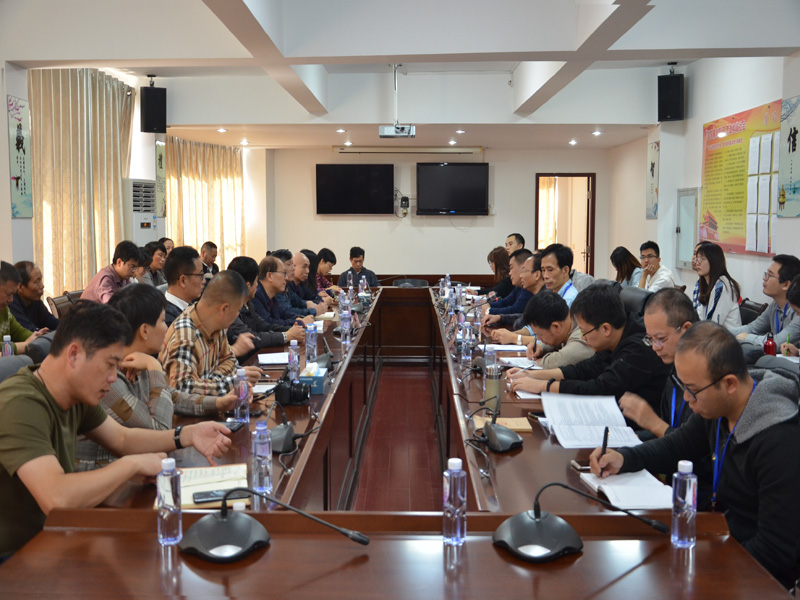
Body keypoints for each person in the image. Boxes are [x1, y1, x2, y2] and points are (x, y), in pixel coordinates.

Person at [0, 301, 232, 560]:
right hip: (16, 558)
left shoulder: (74, 393)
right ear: (74, 355)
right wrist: (132, 465)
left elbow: (122, 438)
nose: (114, 377)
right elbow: (56, 498)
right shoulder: (20, 403)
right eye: (110, 364)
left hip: (57, 537)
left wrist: (186, 435)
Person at [590, 322, 800, 589]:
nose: (687, 399)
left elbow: (775, 551)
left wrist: (700, 572)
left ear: (729, 383)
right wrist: (624, 458)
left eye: (692, 389)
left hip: (756, 576)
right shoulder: (720, 406)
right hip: (721, 540)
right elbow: (677, 445)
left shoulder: (779, 441)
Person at [75, 285, 241, 471]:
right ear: (145, 331)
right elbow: (159, 430)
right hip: (101, 474)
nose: (167, 327)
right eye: (162, 321)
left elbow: (172, 396)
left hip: (129, 468)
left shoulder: (137, 361)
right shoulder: (109, 379)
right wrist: (154, 367)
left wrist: (219, 403)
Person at [509, 284, 670, 412]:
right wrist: (530, 375)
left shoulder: (638, 348)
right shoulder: (615, 336)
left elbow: (600, 388)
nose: (583, 337)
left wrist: (543, 386)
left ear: (605, 329)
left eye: (584, 332)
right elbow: (583, 369)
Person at [159, 270, 262, 394]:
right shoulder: (185, 337)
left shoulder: (216, 324)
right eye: (237, 310)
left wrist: (209, 381)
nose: (237, 315)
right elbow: (182, 390)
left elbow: (230, 361)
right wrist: (234, 381)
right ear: (223, 309)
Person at [618, 288, 699, 438]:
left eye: (661, 339)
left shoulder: (706, 378)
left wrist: (652, 422)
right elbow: (664, 433)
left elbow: (692, 445)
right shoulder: (673, 370)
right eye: (650, 339)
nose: (655, 347)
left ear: (686, 329)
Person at [226, 256, 304, 358]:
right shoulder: (230, 309)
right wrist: (286, 336)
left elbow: (265, 326)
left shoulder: (248, 304)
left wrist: (294, 330)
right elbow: (251, 338)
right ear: (247, 285)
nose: (257, 285)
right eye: (256, 281)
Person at [730, 254, 800, 349]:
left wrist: (746, 337)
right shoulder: (775, 305)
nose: (764, 278)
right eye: (766, 274)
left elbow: (778, 342)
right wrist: (720, 331)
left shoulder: (798, 311)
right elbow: (752, 329)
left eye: (770, 275)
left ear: (786, 284)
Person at [517, 290, 594, 369]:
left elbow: (563, 359)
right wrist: (540, 347)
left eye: (540, 335)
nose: (538, 339)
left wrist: (543, 362)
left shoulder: (583, 333)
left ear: (556, 327)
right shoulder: (567, 326)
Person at [487, 253, 545, 346]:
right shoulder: (537, 297)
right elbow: (528, 323)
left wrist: (514, 338)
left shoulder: (548, 299)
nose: (521, 275)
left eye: (524, 271)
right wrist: (500, 318)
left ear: (537, 275)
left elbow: (549, 340)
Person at [252, 256, 314, 328]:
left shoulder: (272, 294)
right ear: (269, 276)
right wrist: (299, 322)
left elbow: (283, 313)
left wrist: (298, 317)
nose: (286, 278)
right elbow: (268, 323)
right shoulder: (256, 295)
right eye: (284, 273)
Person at [0, 261, 48, 355]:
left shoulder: (4, 310)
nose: (11, 300)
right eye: (8, 294)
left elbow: (20, 332)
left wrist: (37, 337)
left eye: (13, 295)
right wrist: (25, 345)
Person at [692, 241, 741, 328]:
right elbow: (701, 316)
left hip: (725, 335)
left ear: (713, 261)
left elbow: (713, 324)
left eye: (702, 259)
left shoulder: (722, 286)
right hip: (711, 332)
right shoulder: (704, 283)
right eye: (697, 259)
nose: (697, 263)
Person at [481, 249, 534, 323]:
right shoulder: (519, 286)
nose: (510, 273)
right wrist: (489, 306)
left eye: (511, 268)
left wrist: (489, 310)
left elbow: (516, 310)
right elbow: (506, 301)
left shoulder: (529, 288)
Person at [269, 249, 321, 319]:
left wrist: (308, 304)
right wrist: (313, 311)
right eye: (289, 264)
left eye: (293, 264)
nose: (293, 268)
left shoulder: (286, 286)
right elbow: (286, 312)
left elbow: (299, 301)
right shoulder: (275, 287)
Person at [163, 246, 206, 327]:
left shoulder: (192, 306)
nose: (204, 281)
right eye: (200, 275)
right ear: (183, 280)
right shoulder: (168, 319)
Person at [10, 261, 59, 331]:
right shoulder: (11, 303)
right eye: (37, 281)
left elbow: (53, 323)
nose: (42, 286)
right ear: (20, 287)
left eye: (41, 280)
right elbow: (29, 332)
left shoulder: (35, 301)